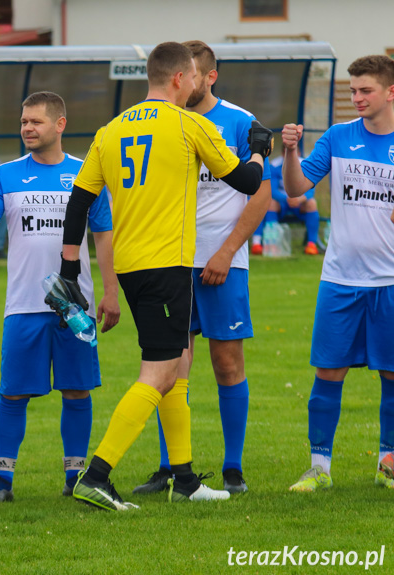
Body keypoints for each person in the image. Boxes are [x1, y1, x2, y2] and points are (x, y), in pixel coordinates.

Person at [61, 41, 268, 511]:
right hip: (168, 265)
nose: (196, 82)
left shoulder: (110, 130)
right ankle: (97, 474)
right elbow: (247, 182)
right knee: (157, 373)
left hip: (132, 266)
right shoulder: (189, 122)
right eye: (193, 75)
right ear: (180, 78)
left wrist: (69, 266)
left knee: (175, 368)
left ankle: (186, 478)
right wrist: (259, 150)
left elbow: (79, 201)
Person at [0, 91, 117, 502]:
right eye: (24, 121)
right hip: (24, 304)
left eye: (36, 121)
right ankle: (2, 481)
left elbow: (104, 237)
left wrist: (110, 291)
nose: (27, 127)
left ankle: (74, 477)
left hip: (75, 304)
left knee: (78, 390)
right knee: (13, 393)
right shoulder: (6, 175)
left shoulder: (86, 174)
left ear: (59, 124)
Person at [131, 41, 272, 496]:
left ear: (208, 76)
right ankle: (171, 468)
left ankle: (233, 469)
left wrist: (227, 251)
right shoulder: (158, 121)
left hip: (222, 261)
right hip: (170, 261)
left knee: (226, 362)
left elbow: (260, 193)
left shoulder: (240, 122)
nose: (183, 82)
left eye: (191, 75)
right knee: (168, 365)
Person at [283, 55, 394, 492]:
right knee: (327, 373)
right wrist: (291, 151)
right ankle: (319, 468)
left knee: (391, 375)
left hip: (390, 282)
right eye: (352, 90)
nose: (356, 98)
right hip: (340, 280)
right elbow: (295, 190)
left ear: (390, 92)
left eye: (365, 90)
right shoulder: (337, 137)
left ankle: (388, 462)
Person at [250, 151, 321, 255]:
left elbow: (311, 189)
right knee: (270, 203)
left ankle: (311, 244)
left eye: (295, 152)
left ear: (299, 153)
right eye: (290, 152)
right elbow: (272, 190)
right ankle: (272, 243)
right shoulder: (274, 166)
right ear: (284, 154)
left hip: (299, 202)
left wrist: (300, 199)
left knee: (312, 203)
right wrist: (287, 198)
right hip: (282, 202)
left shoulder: (305, 164)